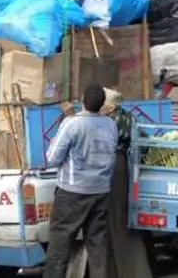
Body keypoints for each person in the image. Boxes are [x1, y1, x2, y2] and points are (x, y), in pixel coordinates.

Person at [43, 84, 118, 278]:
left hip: (71, 193)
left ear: (82, 100)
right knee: (97, 246)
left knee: (60, 245)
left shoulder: (72, 124)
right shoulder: (110, 125)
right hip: (100, 192)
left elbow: (52, 158)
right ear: (102, 104)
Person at [100, 88, 154, 278]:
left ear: (111, 106)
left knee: (113, 221)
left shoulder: (107, 121)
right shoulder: (129, 117)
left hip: (107, 167)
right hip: (122, 167)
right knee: (121, 218)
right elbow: (144, 144)